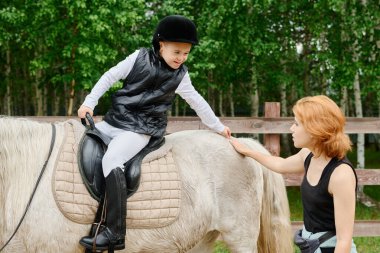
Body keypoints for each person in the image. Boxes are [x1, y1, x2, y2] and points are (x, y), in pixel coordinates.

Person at [77, 15, 231, 252]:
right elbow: (110, 76)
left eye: (186, 53)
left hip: (142, 129)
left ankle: (115, 233)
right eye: (176, 51)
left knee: (112, 159)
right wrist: (89, 102)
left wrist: (218, 127)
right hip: (115, 120)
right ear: (161, 44)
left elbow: (197, 101)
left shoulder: (180, 76)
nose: (181, 58)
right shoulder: (138, 58)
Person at [230, 95, 357, 253]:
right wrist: (247, 151)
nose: (291, 128)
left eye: (296, 124)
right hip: (311, 246)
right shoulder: (308, 155)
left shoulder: (341, 175)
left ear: (314, 128)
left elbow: (343, 241)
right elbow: (281, 164)